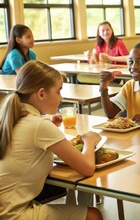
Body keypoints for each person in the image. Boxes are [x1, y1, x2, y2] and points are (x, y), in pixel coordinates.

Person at [0, 61, 103, 220]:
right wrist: (89, 140)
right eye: (58, 91)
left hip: (5, 207)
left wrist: (51, 128)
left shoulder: (11, 117)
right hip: (12, 214)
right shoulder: (39, 125)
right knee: (93, 216)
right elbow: (87, 168)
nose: (61, 98)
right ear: (41, 94)